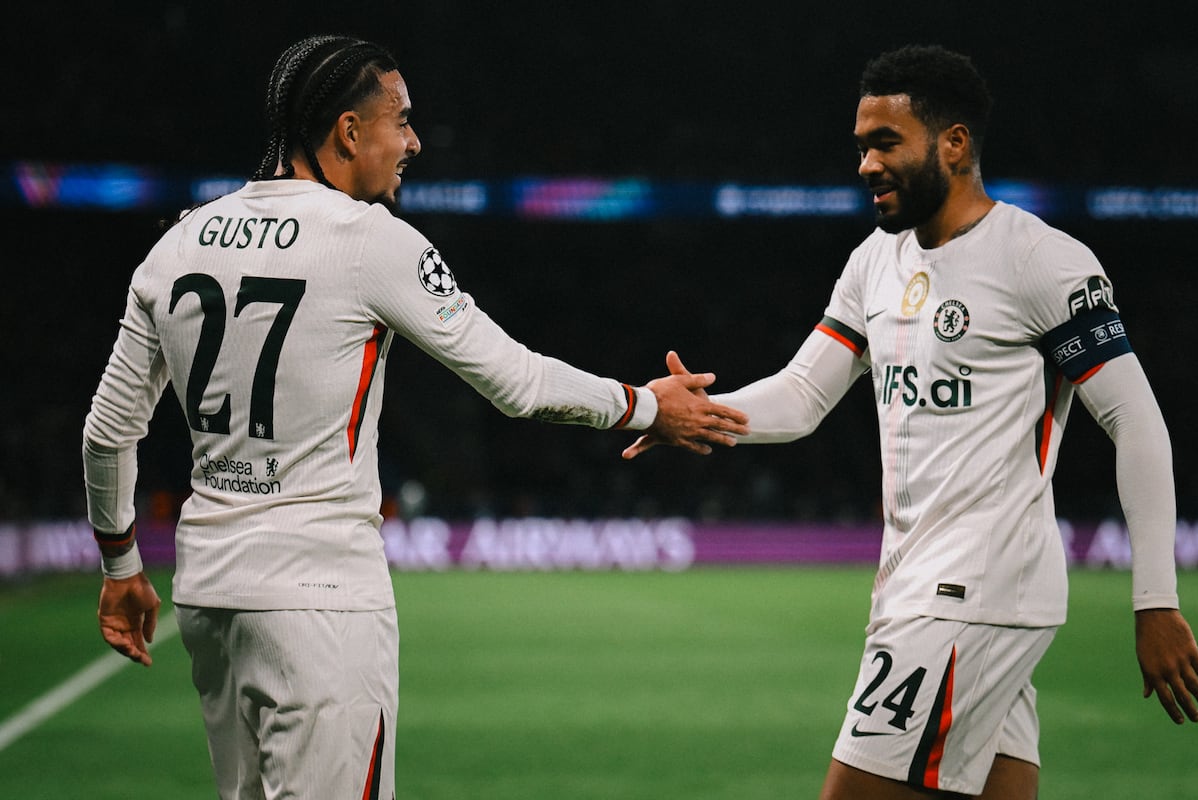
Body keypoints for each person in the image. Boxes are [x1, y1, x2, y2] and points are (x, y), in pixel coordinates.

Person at [82, 34, 748, 800]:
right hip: (321, 598)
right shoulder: (369, 240)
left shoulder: (178, 243)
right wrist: (642, 408)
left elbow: (107, 433)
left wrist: (121, 569)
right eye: (400, 120)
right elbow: (516, 382)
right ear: (348, 131)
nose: (415, 141)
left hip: (209, 596)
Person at [625, 45, 1198, 799]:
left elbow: (1136, 422)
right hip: (918, 585)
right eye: (861, 146)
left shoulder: (1041, 262)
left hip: (974, 592)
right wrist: (697, 414)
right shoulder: (875, 261)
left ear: (954, 143)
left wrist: (1155, 600)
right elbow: (804, 393)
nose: (866, 164)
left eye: (885, 143)